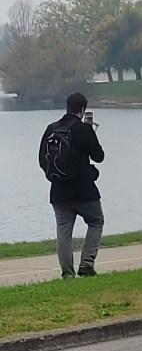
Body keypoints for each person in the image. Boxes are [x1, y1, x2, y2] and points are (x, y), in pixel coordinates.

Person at [38, 91, 105, 279]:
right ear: (82, 110)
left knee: (64, 232)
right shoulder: (83, 129)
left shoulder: (51, 129)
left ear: (67, 107)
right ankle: (87, 264)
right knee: (96, 221)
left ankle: (67, 273)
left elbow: (42, 160)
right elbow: (99, 156)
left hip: (58, 192)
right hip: (84, 191)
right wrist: (90, 132)